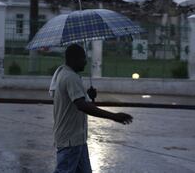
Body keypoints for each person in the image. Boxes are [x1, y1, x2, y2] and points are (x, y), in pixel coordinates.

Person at [50, 44, 133, 173]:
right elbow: (82, 106)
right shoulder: (70, 77)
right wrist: (114, 116)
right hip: (70, 142)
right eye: (83, 58)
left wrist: (89, 96)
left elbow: (78, 102)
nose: (85, 61)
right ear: (73, 59)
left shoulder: (64, 74)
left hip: (78, 140)